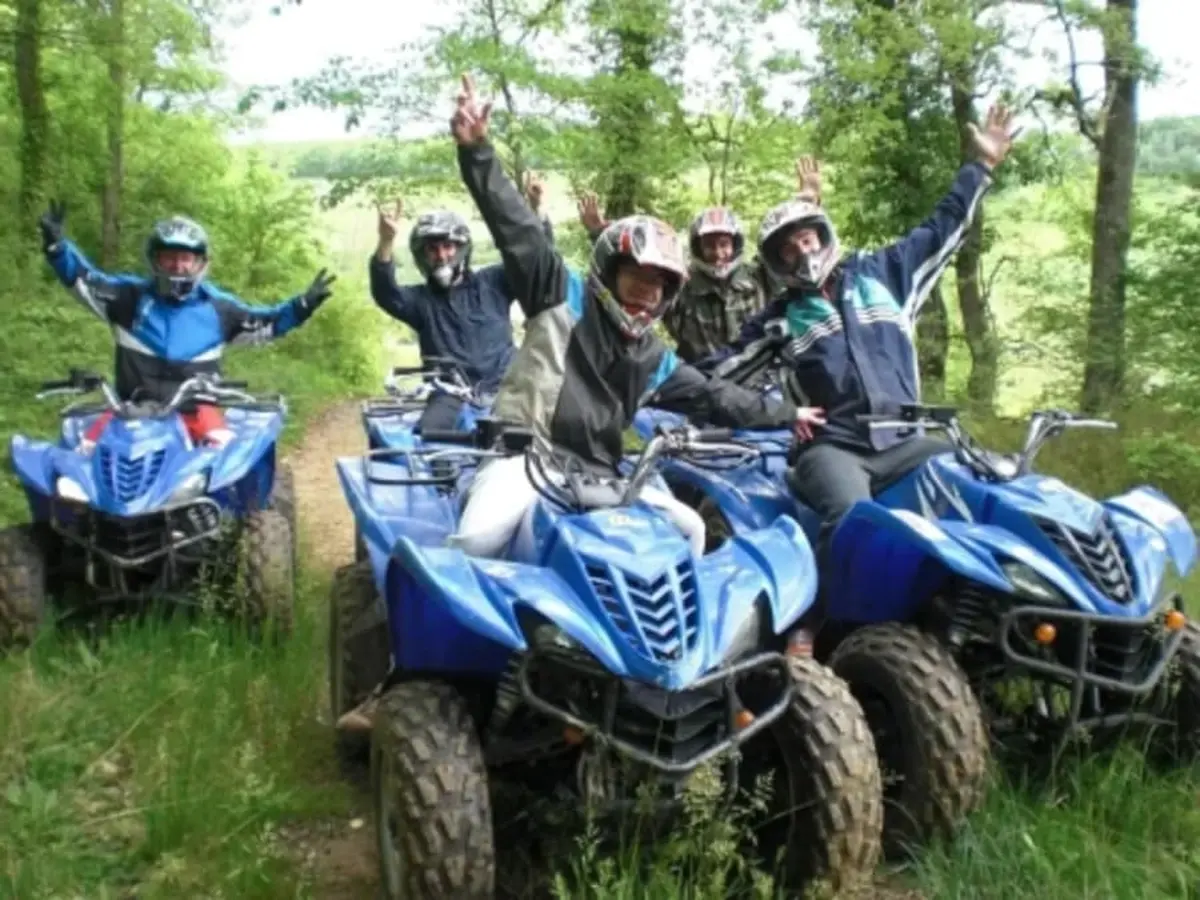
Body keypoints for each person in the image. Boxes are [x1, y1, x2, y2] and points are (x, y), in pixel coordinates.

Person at [443, 73, 818, 561]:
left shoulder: (652, 355)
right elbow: (518, 230)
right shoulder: (560, 296)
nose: (646, 294)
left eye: (659, 285)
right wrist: (478, 152)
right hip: (522, 459)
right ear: (609, 273)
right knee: (475, 542)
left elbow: (714, 396)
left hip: (602, 472)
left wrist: (789, 414)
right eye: (636, 278)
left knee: (690, 536)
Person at [704, 103, 1019, 563]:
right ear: (777, 262)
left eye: (806, 238)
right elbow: (722, 366)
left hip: (907, 440)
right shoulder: (781, 316)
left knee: (987, 487)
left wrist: (982, 165)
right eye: (788, 248)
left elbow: (942, 227)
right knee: (855, 521)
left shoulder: (885, 274)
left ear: (823, 235)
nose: (801, 250)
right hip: (833, 448)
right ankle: (815, 624)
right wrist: (647, 379)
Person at [39, 204, 336, 451]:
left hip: (198, 412)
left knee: (229, 463)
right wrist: (57, 248)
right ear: (155, 259)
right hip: (130, 411)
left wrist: (301, 307)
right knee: (81, 456)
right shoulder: (126, 298)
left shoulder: (219, 308)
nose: (177, 266)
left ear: (200, 263)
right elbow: (84, 279)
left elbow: (266, 324)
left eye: (185, 258)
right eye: (169, 257)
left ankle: (243, 520)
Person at [576, 158, 821, 365]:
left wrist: (808, 204)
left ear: (734, 245)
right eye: (709, 245)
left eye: (724, 244)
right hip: (701, 379)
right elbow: (636, 278)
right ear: (697, 247)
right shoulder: (680, 284)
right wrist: (599, 233)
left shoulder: (759, 275)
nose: (717, 253)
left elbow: (793, 257)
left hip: (758, 376)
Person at [367, 182, 555, 433]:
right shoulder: (420, 300)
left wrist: (536, 211)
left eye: (448, 246)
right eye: (432, 249)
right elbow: (385, 292)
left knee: (536, 439)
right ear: (422, 256)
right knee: (428, 439)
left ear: (461, 249)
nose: (442, 255)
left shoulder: (493, 282)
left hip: (507, 388)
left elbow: (536, 263)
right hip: (449, 394)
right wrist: (386, 242)